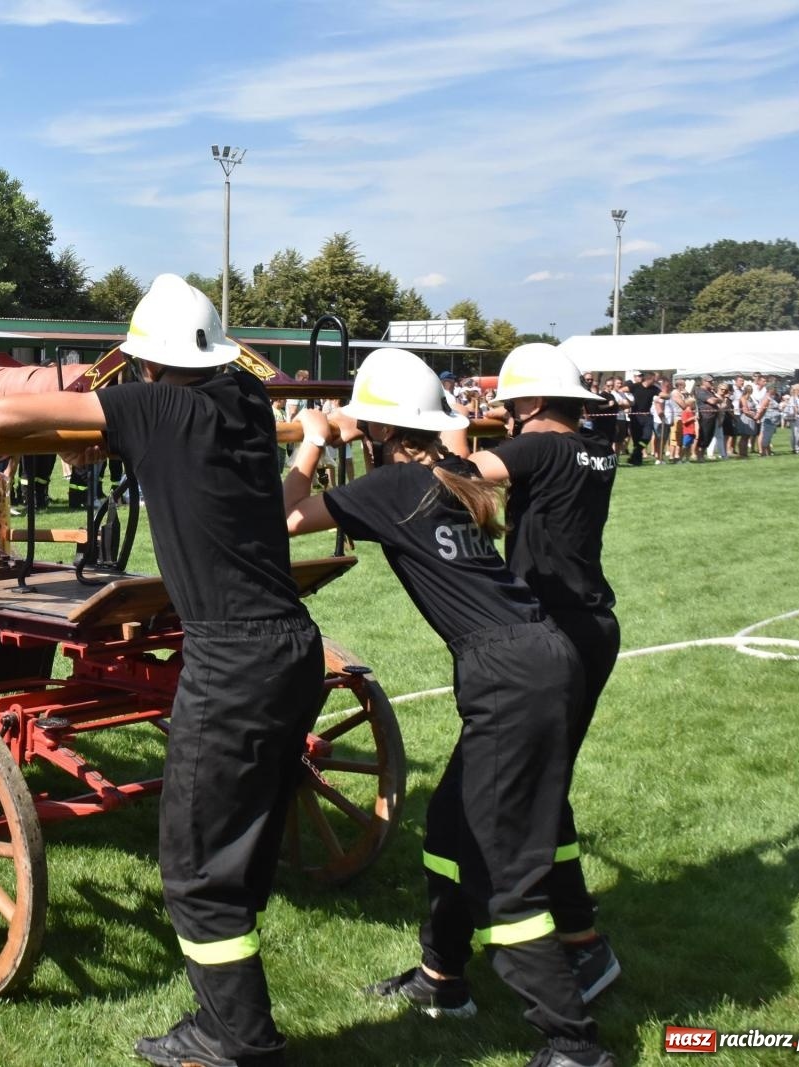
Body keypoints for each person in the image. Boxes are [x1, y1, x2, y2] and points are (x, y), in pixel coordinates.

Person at [0, 274, 325, 1067]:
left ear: (145, 364)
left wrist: (91, 407)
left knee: (193, 867)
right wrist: (310, 440)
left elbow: (3, 415)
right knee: (235, 850)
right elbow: (274, 511)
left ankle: (236, 1039)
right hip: (293, 649)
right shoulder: (244, 404)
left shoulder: (158, 407)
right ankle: (228, 1013)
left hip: (232, 656)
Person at [283, 347, 607, 1067]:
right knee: (450, 826)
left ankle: (574, 1044)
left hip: (510, 675)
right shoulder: (446, 475)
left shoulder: (393, 485)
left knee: (503, 874)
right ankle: (441, 979)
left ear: (378, 427)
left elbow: (286, 516)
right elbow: (447, 452)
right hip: (538, 656)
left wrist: (310, 438)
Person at [454, 343, 623, 1005]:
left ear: (526, 404)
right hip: (593, 623)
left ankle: (580, 941)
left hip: (555, 630)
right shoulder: (595, 447)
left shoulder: (536, 447)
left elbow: (466, 474)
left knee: (534, 790)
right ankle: (575, 930)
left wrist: (450, 435)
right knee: (547, 784)